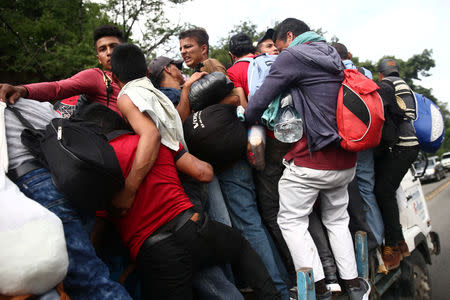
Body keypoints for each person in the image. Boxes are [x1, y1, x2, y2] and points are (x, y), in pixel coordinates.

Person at [81, 91, 281, 300]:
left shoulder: (100, 168)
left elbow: (98, 229)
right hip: (192, 227)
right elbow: (204, 172)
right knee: (239, 247)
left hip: (155, 254)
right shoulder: (160, 141)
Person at [245, 18, 370, 300]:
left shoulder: (293, 56)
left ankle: (322, 287)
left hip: (311, 160)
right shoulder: (332, 54)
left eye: (278, 47)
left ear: (289, 37)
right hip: (346, 159)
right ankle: (351, 284)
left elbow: (259, 102)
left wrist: (249, 118)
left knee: (290, 220)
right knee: (337, 220)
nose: (276, 54)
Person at [179, 30, 291, 299]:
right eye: (181, 47)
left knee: (248, 223)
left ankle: (278, 288)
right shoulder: (197, 72)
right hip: (230, 158)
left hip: (232, 162)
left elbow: (236, 96)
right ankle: (281, 281)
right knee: (251, 222)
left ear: (203, 48)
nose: (184, 52)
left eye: (189, 46)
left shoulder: (209, 68)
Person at [3, 98, 132, 300]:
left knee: (88, 281)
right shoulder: (34, 103)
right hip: (75, 181)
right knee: (89, 272)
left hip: (35, 185)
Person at [148, 55, 244, 300]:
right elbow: (177, 126)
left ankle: (235, 284)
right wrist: (188, 88)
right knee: (213, 231)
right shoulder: (165, 96)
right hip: (189, 175)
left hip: (201, 168)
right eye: (177, 69)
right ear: (169, 69)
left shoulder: (182, 92)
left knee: (221, 229)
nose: (182, 73)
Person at [0, 25, 124, 114]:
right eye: (103, 49)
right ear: (99, 58)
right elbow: (57, 88)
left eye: (113, 46)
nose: (109, 52)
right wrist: (22, 90)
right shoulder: (95, 77)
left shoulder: (142, 75)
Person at [331, 42, 384, 246]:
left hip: (349, 137)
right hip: (370, 135)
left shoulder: (334, 75)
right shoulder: (364, 72)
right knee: (367, 189)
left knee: (348, 196)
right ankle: (379, 239)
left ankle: (366, 243)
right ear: (349, 54)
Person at [375, 58, 419, 270]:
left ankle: (391, 247)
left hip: (400, 146)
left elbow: (382, 112)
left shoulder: (385, 86)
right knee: (387, 191)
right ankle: (400, 242)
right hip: (411, 145)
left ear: (380, 74)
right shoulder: (404, 86)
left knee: (383, 192)